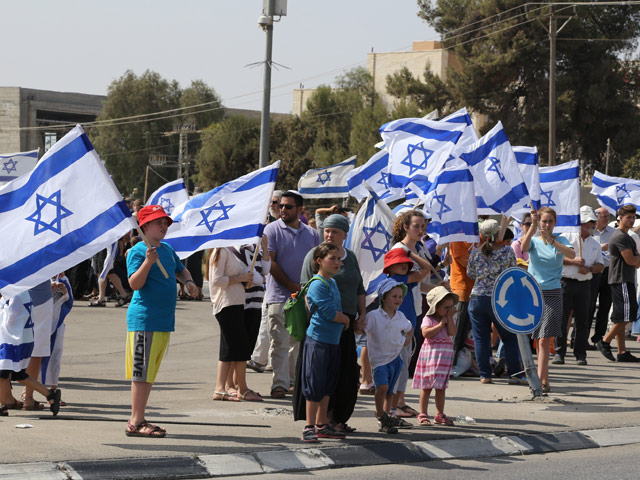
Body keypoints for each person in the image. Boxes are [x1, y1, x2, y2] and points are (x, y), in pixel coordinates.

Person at [125, 205, 198, 437]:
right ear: (144, 226)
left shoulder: (167, 250)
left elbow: (182, 271)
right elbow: (134, 284)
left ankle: (141, 417)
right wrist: (147, 262)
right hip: (144, 320)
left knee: (150, 373)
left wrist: (189, 282)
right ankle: (135, 422)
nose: (164, 226)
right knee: (141, 373)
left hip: (163, 322)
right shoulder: (137, 251)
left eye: (166, 223)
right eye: (159, 222)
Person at [300, 214, 366, 433]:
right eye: (327, 230)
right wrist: (343, 319)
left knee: (338, 378)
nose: (329, 235)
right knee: (317, 381)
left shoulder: (350, 259)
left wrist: (359, 316)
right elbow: (310, 293)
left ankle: (332, 420)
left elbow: (359, 289)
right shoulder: (316, 261)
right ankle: (314, 424)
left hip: (342, 330)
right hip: (321, 331)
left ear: (345, 235)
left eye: (335, 231)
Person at [264, 191, 320, 398]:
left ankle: (293, 382)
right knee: (279, 341)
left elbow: (317, 264)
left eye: (288, 206)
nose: (283, 210)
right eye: (281, 206)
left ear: (300, 210)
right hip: (279, 296)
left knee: (297, 342)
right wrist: (291, 285)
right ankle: (279, 384)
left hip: (304, 298)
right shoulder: (272, 230)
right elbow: (271, 262)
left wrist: (307, 289)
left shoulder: (312, 234)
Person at [521, 207, 576, 393]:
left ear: (555, 223)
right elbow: (523, 248)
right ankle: (543, 376)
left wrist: (552, 241)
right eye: (544, 221)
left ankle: (540, 378)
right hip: (534, 292)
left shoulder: (560, 240)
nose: (547, 225)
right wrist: (533, 226)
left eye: (550, 221)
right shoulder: (535, 240)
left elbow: (572, 255)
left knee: (545, 338)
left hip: (553, 292)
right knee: (537, 338)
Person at [300, 243, 350, 443]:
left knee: (328, 384)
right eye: (332, 258)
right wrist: (346, 319)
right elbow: (329, 313)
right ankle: (308, 426)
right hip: (319, 341)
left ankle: (322, 424)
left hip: (332, 341)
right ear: (319, 261)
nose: (337, 262)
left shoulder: (332, 282)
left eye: (339, 259)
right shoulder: (318, 283)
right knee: (314, 385)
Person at [467, 219, 525, 385]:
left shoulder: (476, 252)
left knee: (481, 339)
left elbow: (471, 274)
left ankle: (485, 374)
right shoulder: (507, 251)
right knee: (509, 337)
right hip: (500, 299)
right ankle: (514, 374)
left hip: (478, 298)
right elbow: (512, 272)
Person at [209, 244, 265, 402]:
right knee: (234, 348)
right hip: (226, 304)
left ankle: (227, 388)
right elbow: (216, 280)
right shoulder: (220, 249)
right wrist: (239, 278)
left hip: (236, 303)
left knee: (234, 348)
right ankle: (234, 388)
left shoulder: (229, 250)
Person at [382, 247, 432, 422]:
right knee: (393, 374)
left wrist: (410, 255)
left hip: (407, 331)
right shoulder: (393, 281)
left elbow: (426, 269)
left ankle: (394, 411)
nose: (404, 265)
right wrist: (410, 254)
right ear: (389, 267)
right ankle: (389, 412)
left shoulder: (406, 279)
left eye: (406, 263)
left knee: (402, 374)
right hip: (393, 334)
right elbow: (426, 269)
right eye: (399, 262)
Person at [555, 206, 603, 366]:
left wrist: (589, 268)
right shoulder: (565, 237)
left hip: (584, 285)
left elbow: (600, 266)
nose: (590, 226)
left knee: (583, 320)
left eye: (592, 223)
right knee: (562, 319)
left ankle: (580, 354)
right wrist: (574, 262)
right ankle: (559, 352)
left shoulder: (595, 243)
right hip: (566, 282)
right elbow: (556, 258)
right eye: (587, 223)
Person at [0, 291, 61, 417]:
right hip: (23, 340)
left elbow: (11, 319)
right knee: (19, 374)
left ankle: (3, 406)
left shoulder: (14, 295)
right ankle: (50, 394)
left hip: (13, 341)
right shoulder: (22, 293)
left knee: (2, 374)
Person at [365, 278, 413, 434]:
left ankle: (386, 419)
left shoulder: (400, 316)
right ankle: (380, 414)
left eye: (400, 296)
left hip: (395, 359)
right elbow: (362, 329)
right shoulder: (373, 316)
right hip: (379, 361)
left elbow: (409, 328)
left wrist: (407, 340)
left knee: (390, 392)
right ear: (384, 297)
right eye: (394, 296)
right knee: (382, 387)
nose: (398, 299)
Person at [596, 204, 640, 362]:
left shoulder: (627, 236)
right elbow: (631, 260)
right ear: (619, 219)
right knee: (629, 314)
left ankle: (622, 352)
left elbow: (636, 259)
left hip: (624, 279)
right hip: (621, 279)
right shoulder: (620, 236)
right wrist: (637, 259)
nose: (631, 220)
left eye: (633, 217)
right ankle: (605, 341)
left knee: (622, 315)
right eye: (628, 217)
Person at [413, 286, 458, 426]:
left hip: (444, 357)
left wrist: (449, 318)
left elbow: (452, 332)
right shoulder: (428, 318)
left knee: (441, 388)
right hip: (430, 356)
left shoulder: (448, 318)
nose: (449, 310)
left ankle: (439, 414)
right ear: (436, 306)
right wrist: (439, 325)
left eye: (451, 307)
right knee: (426, 387)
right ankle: (423, 413)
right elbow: (426, 333)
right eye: (446, 307)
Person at [590, 206, 615, 347]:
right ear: (596, 216)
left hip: (607, 272)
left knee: (605, 307)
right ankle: (579, 338)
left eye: (608, 216)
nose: (607, 219)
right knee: (588, 306)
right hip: (592, 272)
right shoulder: (589, 231)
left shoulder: (613, 233)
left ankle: (598, 338)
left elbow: (614, 255)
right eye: (604, 216)